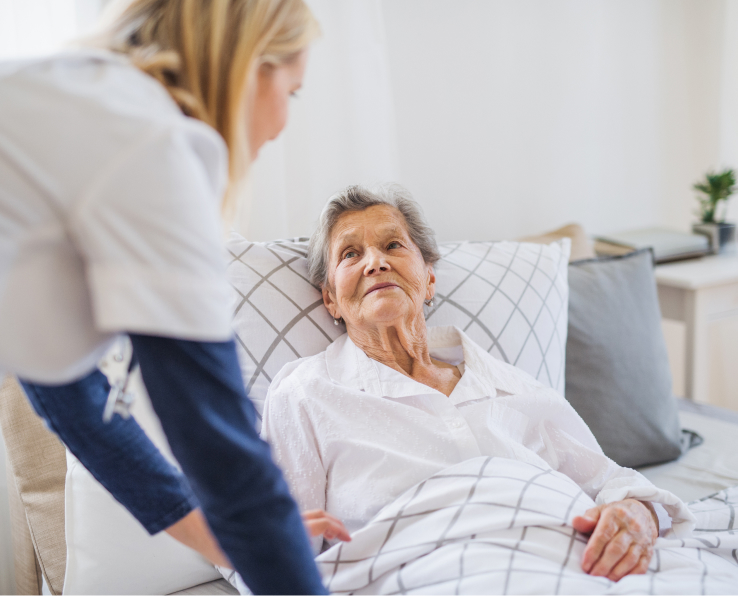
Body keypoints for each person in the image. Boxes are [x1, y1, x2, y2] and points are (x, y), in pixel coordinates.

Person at [0, 0, 338, 593]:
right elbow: (222, 450)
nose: (284, 124)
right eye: (294, 91)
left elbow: (71, 395)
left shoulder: (70, 100)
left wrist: (199, 529)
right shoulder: (154, 150)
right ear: (249, 64)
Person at [261, 184, 696, 583]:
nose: (375, 261)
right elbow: (267, 551)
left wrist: (637, 514)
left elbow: (612, 483)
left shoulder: (511, 385)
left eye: (393, 244)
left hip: (578, 565)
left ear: (429, 278)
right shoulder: (306, 393)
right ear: (331, 299)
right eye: (350, 255)